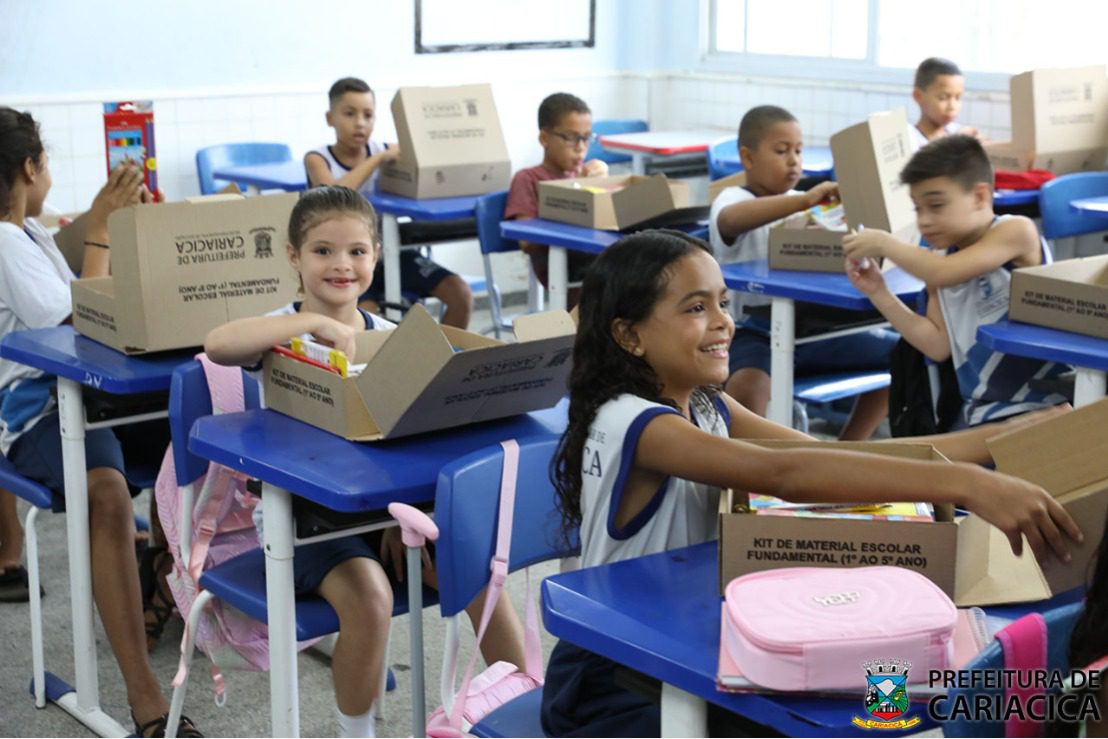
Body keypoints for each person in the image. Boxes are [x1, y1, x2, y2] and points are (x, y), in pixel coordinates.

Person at [541, 229, 1083, 737]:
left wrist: (1000, 437)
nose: (723, 322)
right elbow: (788, 474)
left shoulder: (706, 404)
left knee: (866, 694)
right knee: (832, 710)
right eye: (695, 308)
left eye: (723, 303)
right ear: (629, 335)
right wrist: (965, 485)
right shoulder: (636, 421)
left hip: (691, 636)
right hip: (613, 672)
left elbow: (828, 458)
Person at [205, 185, 525, 737]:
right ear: (293, 256)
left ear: (376, 255)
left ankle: (527, 709)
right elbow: (218, 343)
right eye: (323, 251)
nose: (341, 265)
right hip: (302, 521)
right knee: (372, 598)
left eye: (357, 251)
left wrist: (398, 513)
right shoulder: (279, 332)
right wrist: (310, 325)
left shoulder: (391, 339)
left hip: (384, 510)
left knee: (481, 568)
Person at [0, 107, 199, 737]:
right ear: (31, 168)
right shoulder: (3, 239)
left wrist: (104, 217)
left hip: (86, 401)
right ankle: (146, 699)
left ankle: (161, 582)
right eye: (47, 162)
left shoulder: (25, 232)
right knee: (108, 492)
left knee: (197, 435)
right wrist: (104, 231)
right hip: (35, 417)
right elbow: (74, 324)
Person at [843, 134, 1071, 427]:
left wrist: (887, 244)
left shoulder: (1016, 230)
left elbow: (943, 272)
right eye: (917, 208)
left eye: (936, 205)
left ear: (980, 196)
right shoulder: (938, 261)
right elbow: (938, 345)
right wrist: (878, 292)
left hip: (1046, 407)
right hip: (984, 411)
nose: (923, 220)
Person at [709, 105, 895, 439]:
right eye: (781, 151)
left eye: (798, 150)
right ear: (748, 158)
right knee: (748, 387)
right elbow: (731, 220)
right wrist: (803, 203)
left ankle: (847, 450)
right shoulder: (733, 198)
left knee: (905, 354)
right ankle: (746, 475)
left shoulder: (806, 201)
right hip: (755, 333)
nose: (794, 160)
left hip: (811, 332)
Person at [304, 76, 473, 329]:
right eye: (349, 114)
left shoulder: (387, 150)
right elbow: (334, 194)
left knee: (460, 294)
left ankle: (440, 363)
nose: (360, 123)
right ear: (330, 118)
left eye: (368, 115)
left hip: (390, 251)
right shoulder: (318, 159)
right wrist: (377, 159)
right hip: (347, 261)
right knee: (369, 320)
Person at [505, 92, 609, 308]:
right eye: (571, 137)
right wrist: (576, 194)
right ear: (544, 139)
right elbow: (527, 242)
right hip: (561, 264)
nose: (580, 147)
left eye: (586, 138)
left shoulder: (587, 174)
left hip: (595, 258)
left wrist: (604, 187)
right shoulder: (528, 179)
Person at [910, 57, 978, 151]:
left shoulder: (959, 132)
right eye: (943, 98)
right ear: (918, 96)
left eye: (958, 98)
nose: (952, 106)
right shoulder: (910, 140)